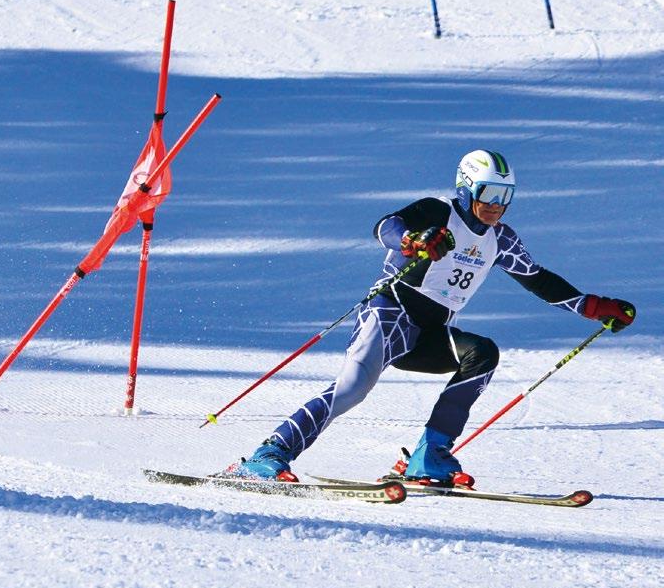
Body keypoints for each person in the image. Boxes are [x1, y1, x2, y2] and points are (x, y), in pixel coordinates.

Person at [223, 149, 636, 485]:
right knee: (351, 389)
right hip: (388, 316)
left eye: (504, 197)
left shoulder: (500, 239)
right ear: (467, 187)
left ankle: (430, 455)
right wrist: (410, 240)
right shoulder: (437, 213)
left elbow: (538, 279)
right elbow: (386, 225)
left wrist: (593, 307)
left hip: (428, 333)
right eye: (489, 194)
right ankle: (268, 455)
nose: (496, 207)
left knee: (482, 354)